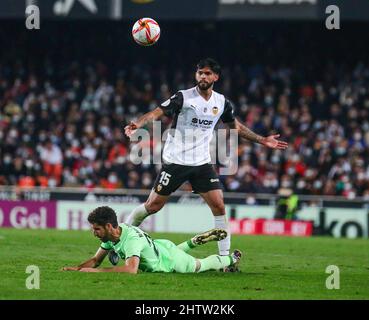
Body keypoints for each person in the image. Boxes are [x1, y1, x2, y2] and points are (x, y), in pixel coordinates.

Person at [124, 58, 288, 261]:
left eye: (208, 73)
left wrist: (262, 140)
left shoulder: (221, 102)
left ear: (216, 77)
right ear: (196, 75)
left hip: (201, 163)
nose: (203, 76)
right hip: (176, 161)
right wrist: (138, 124)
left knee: (219, 206)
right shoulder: (183, 97)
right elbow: (156, 113)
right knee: (153, 206)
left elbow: (235, 127)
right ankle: (123, 238)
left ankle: (225, 259)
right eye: (200, 72)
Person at [62, 206, 242, 274]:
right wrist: (78, 268)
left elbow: (131, 270)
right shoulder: (113, 235)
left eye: (96, 229)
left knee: (201, 265)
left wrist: (97, 272)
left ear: (109, 226)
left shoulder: (130, 239)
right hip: (161, 246)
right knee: (171, 253)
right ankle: (192, 242)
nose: (94, 233)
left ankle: (231, 258)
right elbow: (95, 260)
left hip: (171, 261)